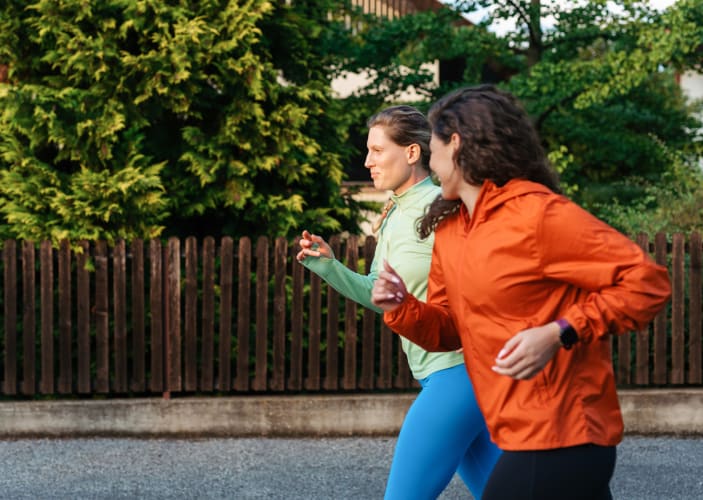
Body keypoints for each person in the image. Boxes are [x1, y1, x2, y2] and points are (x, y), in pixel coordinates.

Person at [371, 85, 672, 500]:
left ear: (456, 145)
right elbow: (450, 331)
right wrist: (402, 307)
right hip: (514, 430)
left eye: (433, 145)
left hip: (565, 431)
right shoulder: (453, 229)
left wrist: (560, 332)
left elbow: (647, 281)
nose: (430, 159)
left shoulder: (537, 214)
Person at [297, 105, 501, 499]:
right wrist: (330, 268)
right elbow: (382, 294)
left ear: (411, 153)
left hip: (460, 372)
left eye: (377, 150)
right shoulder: (394, 212)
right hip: (437, 374)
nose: (367, 161)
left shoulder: (441, 208)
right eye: (368, 151)